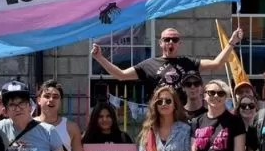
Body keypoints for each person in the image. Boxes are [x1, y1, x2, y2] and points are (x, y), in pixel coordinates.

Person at [90, 27, 242, 98]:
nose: (171, 42)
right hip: (160, 116)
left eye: (174, 39)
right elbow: (121, 75)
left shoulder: (188, 62)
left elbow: (217, 63)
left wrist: (232, 42)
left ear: (179, 43)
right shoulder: (149, 64)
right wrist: (100, 58)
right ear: (160, 43)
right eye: (167, 39)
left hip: (184, 117)